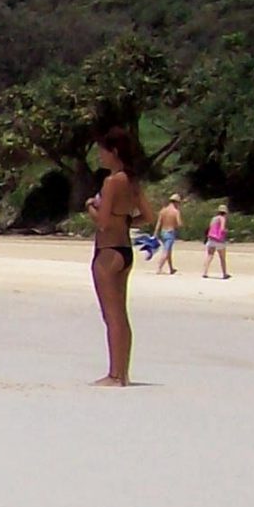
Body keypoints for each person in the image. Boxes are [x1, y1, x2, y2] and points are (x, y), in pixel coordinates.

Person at [85, 128, 152, 386]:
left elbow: (101, 223)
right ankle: (122, 372)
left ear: (113, 152)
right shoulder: (132, 181)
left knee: (111, 315)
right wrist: (124, 222)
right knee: (121, 315)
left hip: (108, 251)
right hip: (124, 250)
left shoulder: (112, 182)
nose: (100, 156)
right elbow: (148, 216)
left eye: (102, 151)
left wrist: (91, 206)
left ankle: (115, 375)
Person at [150, 195, 183, 275]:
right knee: (166, 251)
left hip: (163, 232)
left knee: (168, 251)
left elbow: (159, 223)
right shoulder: (176, 212)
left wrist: (155, 234)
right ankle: (159, 268)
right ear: (176, 202)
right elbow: (179, 223)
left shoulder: (163, 210)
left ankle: (171, 268)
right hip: (170, 232)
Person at [202, 200, 230, 279]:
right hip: (219, 240)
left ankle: (205, 272)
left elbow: (210, 228)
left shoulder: (214, 218)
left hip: (211, 238)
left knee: (209, 256)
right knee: (222, 258)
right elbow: (222, 229)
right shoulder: (222, 218)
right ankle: (224, 274)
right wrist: (226, 232)